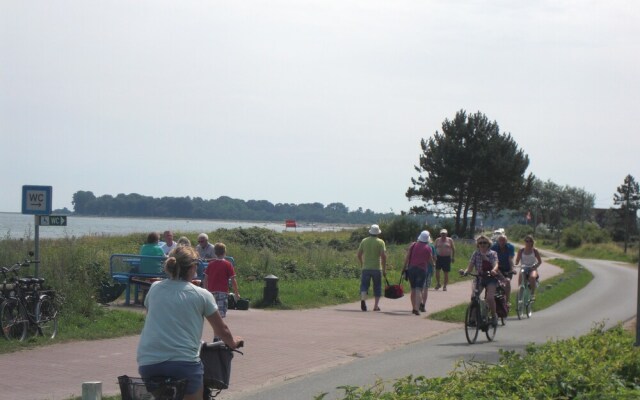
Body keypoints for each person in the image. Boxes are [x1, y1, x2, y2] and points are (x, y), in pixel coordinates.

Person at [136, 245, 242, 400]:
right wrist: (233, 343)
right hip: (183, 364)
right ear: (192, 267)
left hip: (149, 363)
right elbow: (222, 330)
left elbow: (152, 316)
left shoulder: (155, 288)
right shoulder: (201, 295)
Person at [459, 235, 500, 327]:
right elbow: (470, 267)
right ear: (478, 244)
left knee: (489, 298)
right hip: (479, 278)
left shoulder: (492, 253)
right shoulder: (475, 254)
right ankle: (473, 319)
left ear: (488, 244)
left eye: (484, 243)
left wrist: (494, 270)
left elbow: (496, 264)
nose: (482, 244)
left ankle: (494, 317)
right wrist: (465, 272)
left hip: (490, 278)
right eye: (480, 243)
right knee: (474, 297)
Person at [202, 243, 240, 318]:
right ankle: (219, 329)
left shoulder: (210, 264)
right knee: (221, 315)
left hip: (211, 292)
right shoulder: (228, 264)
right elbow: (233, 280)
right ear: (224, 252)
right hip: (222, 292)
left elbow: (205, 279)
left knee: (212, 314)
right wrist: (236, 293)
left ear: (215, 252)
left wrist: (205, 291)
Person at [356, 224, 387, 312]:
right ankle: (375, 306)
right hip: (377, 268)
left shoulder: (364, 241)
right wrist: (384, 269)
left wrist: (362, 263)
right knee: (377, 286)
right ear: (378, 233)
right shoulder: (381, 242)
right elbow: (383, 256)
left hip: (366, 267)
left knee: (364, 285)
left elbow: (358, 254)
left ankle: (363, 300)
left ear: (370, 232)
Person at [403, 230, 433, 315]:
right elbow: (430, 260)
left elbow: (407, 257)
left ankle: (413, 308)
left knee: (412, 289)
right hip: (422, 269)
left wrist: (404, 268)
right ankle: (417, 308)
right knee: (418, 289)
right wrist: (433, 264)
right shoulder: (428, 248)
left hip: (411, 269)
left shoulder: (413, 245)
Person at [515, 235, 543, 300]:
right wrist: (515, 265)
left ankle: (532, 294)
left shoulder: (535, 250)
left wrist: (535, 266)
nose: (528, 242)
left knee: (532, 277)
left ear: (532, 242)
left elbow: (539, 261)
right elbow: (517, 260)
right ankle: (520, 297)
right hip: (523, 268)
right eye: (526, 241)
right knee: (521, 280)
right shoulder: (521, 250)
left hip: (532, 268)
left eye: (530, 241)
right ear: (524, 242)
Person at [490, 234, 516, 302]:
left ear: (506, 241)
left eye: (504, 240)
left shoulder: (510, 247)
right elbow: (491, 258)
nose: (502, 242)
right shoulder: (494, 247)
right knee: (495, 283)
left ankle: (507, 301)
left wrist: (512, 268)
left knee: (507, 282)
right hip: (498, 268)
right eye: (500, 240)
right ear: (498, 241)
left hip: (508, 268)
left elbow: (510, 259)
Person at [420, 231, 437, 313]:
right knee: (426, 288)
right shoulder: (431, 247)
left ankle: (418, 303)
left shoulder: (418, 245)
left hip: (419, 269)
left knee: (419, 288)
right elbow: (434, 258)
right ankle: (423, 305)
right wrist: (434, 265)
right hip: (428, 270)